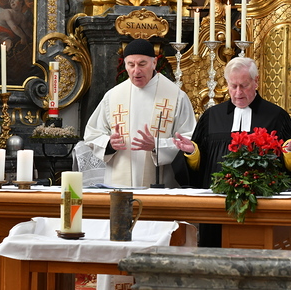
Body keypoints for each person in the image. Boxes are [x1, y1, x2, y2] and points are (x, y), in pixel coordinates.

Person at [173, 57, 291, 247]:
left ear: (256, 82)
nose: (238, 93)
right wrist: (192, 153)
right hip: (217, 207)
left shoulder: (276, 117)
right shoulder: (212, 116)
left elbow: (286, 167)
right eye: (233, 86)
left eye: (243, 86)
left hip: (261, 207)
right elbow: (200, 168)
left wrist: (288, 153)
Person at [84, 38, 196, 188]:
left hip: (161, 183)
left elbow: (188, 139)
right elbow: (92, 134)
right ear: (125, 65)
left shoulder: (176, 96)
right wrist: (109, 144)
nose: (136, 71)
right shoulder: (113, 96)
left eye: (142, 64)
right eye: (131, 65)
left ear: (154, 63)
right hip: (119, 182)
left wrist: (157, 146)